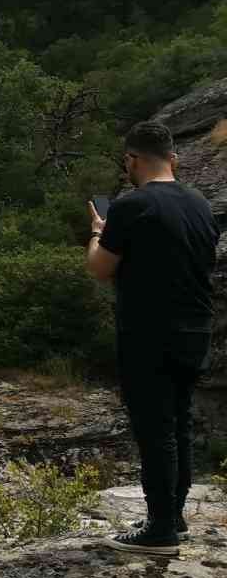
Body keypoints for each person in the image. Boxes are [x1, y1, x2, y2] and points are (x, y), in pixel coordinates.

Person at [87, 119, 220, 555]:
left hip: (149, 333)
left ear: (133, 159)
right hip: (196, 330)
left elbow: (101, 269)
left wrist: (96, 232)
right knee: (178, 423)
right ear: (173, 159)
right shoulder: (200, 203)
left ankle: (161, 528)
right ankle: (174, 517)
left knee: (154, 428)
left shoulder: (130, 205)